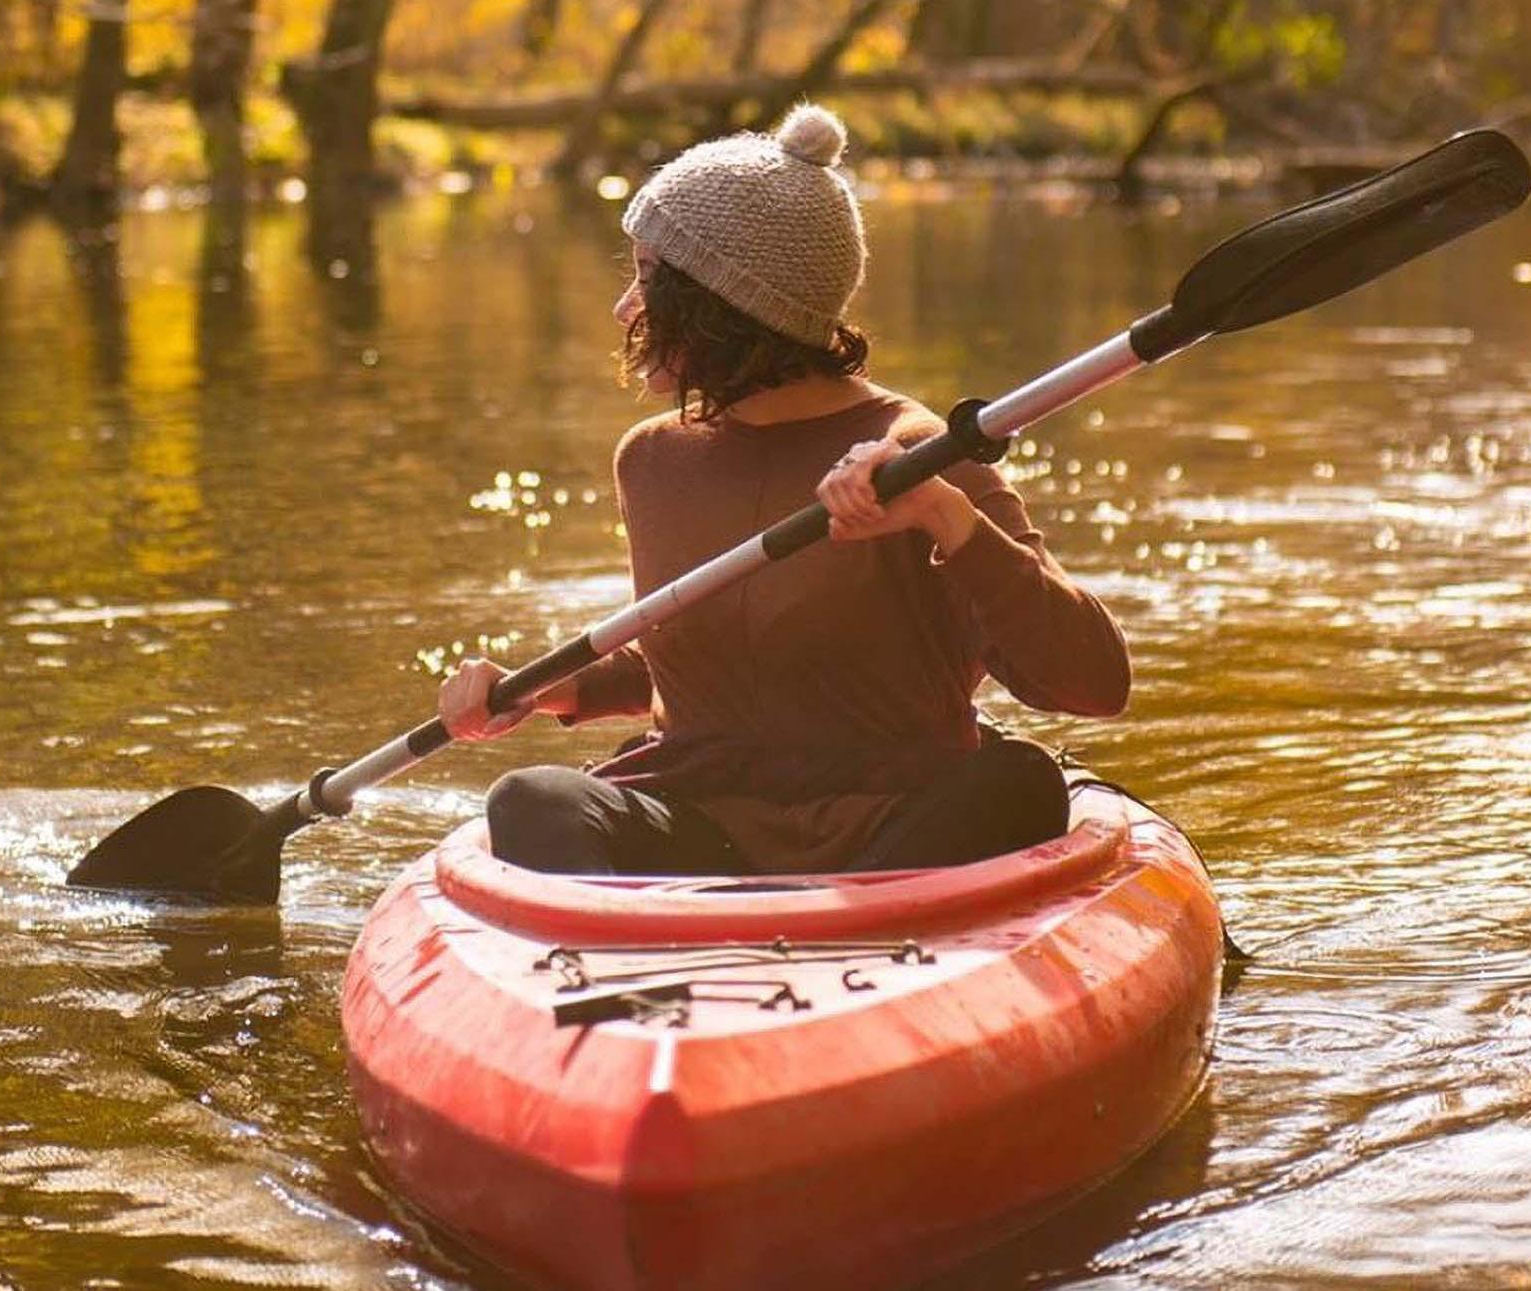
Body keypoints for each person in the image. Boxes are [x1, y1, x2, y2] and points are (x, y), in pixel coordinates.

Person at [437, 104, 1130, 877]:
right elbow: (703, 664)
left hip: (895, 830)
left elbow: (1094, 680)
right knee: (528, 801)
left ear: (723, 303)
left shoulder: (919, 456)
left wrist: (946, 516)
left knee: (1020, 781)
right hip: (700, 832)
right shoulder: (653, 461)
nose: (623, 310)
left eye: (643, 280)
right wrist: (544, 689)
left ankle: (858, 925)